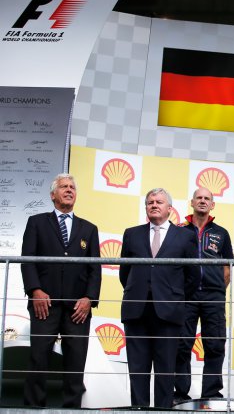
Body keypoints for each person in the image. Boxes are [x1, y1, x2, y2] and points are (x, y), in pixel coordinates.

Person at [20, 173, 101, 408]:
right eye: (64, 187)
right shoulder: (36, 222)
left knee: (76, 363)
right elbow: (27, 260)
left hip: (78, 309)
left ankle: (72, 410)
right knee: (38, 359)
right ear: (53, 195)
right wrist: (35, 290)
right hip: (44, 305)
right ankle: (32, 409)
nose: (69, 190)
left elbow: (95, 269)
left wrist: (89, 298)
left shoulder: (89, 229)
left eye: (72, 187)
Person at [120, 188, 199, 408]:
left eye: (159, 202)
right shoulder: (131, 234)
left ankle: (163, 411)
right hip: (136, 311)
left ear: (169, 208)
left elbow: (193, 276)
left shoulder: (185, 236)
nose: (154, 205)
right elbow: (124, 273)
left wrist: (173, 297)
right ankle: (139, 411)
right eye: (150, 202)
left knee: (166, 371)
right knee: (137, 370)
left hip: (169, 312)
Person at [174, 187, 234, 403]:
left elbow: (227, 267)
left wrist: (216, 288)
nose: (202, 201)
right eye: (198, 197)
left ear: (212, 205)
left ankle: (211, 394)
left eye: (206, 198)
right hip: (186, 296)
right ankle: (180, 394)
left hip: (213, 297)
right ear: (191, 202)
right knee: (181, 344)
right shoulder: (179, 231)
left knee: (215, 345)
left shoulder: (222, 233)